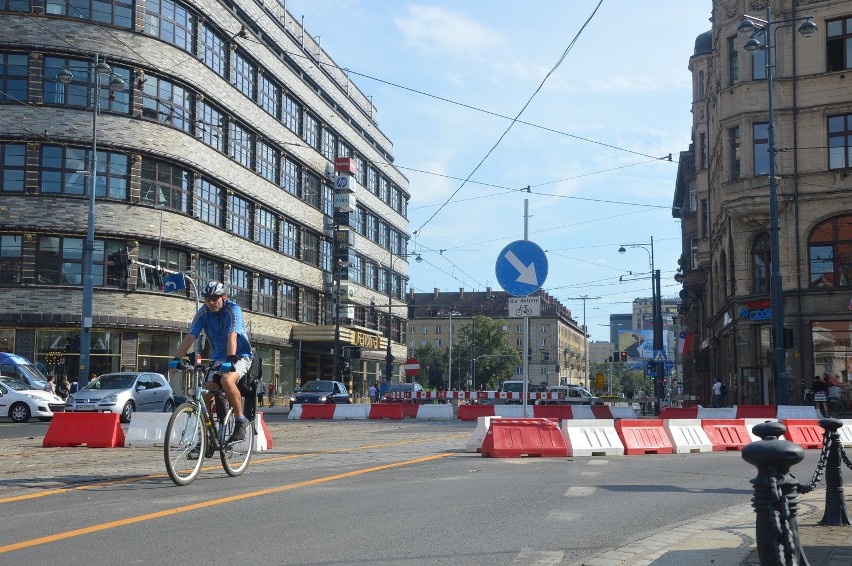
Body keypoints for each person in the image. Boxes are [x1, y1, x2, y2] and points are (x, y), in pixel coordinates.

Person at [169, 281, 253, 444]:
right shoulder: (203, 313)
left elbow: (232, 336)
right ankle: (208, 434)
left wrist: (230, 359)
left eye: (215, 299)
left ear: (224, 298)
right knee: (206, 391)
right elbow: (190, 337)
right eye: (208, 299)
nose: (211, 302)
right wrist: (176, 358)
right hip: (218, 358)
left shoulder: (232, 310)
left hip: (240, 355)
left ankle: (240, 421)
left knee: (226, 380)